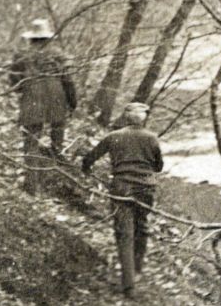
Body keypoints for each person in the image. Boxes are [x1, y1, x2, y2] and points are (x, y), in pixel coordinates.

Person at [81, 102, 162, 299]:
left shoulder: (113, 137)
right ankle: (137, 269)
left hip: (121, 188)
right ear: (143, 118)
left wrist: (86, 168)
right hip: (145, 188)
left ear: (126, 117)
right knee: (142, 227)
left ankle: (129, 286)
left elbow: (91, 157)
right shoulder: (152, 138)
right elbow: (158, 166)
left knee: (124, 234)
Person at [10, 18, 77, 159]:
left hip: (32, 97)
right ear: (48, 37)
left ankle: (31, 170)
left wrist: (23, 90)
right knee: (58, 132)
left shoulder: (21, 55)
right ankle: (56, 162)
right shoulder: (58, 54)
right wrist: (72, 102)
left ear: (31, 38)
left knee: (31, 138)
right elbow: (68, 80)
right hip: (57, 96)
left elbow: (14, 80)